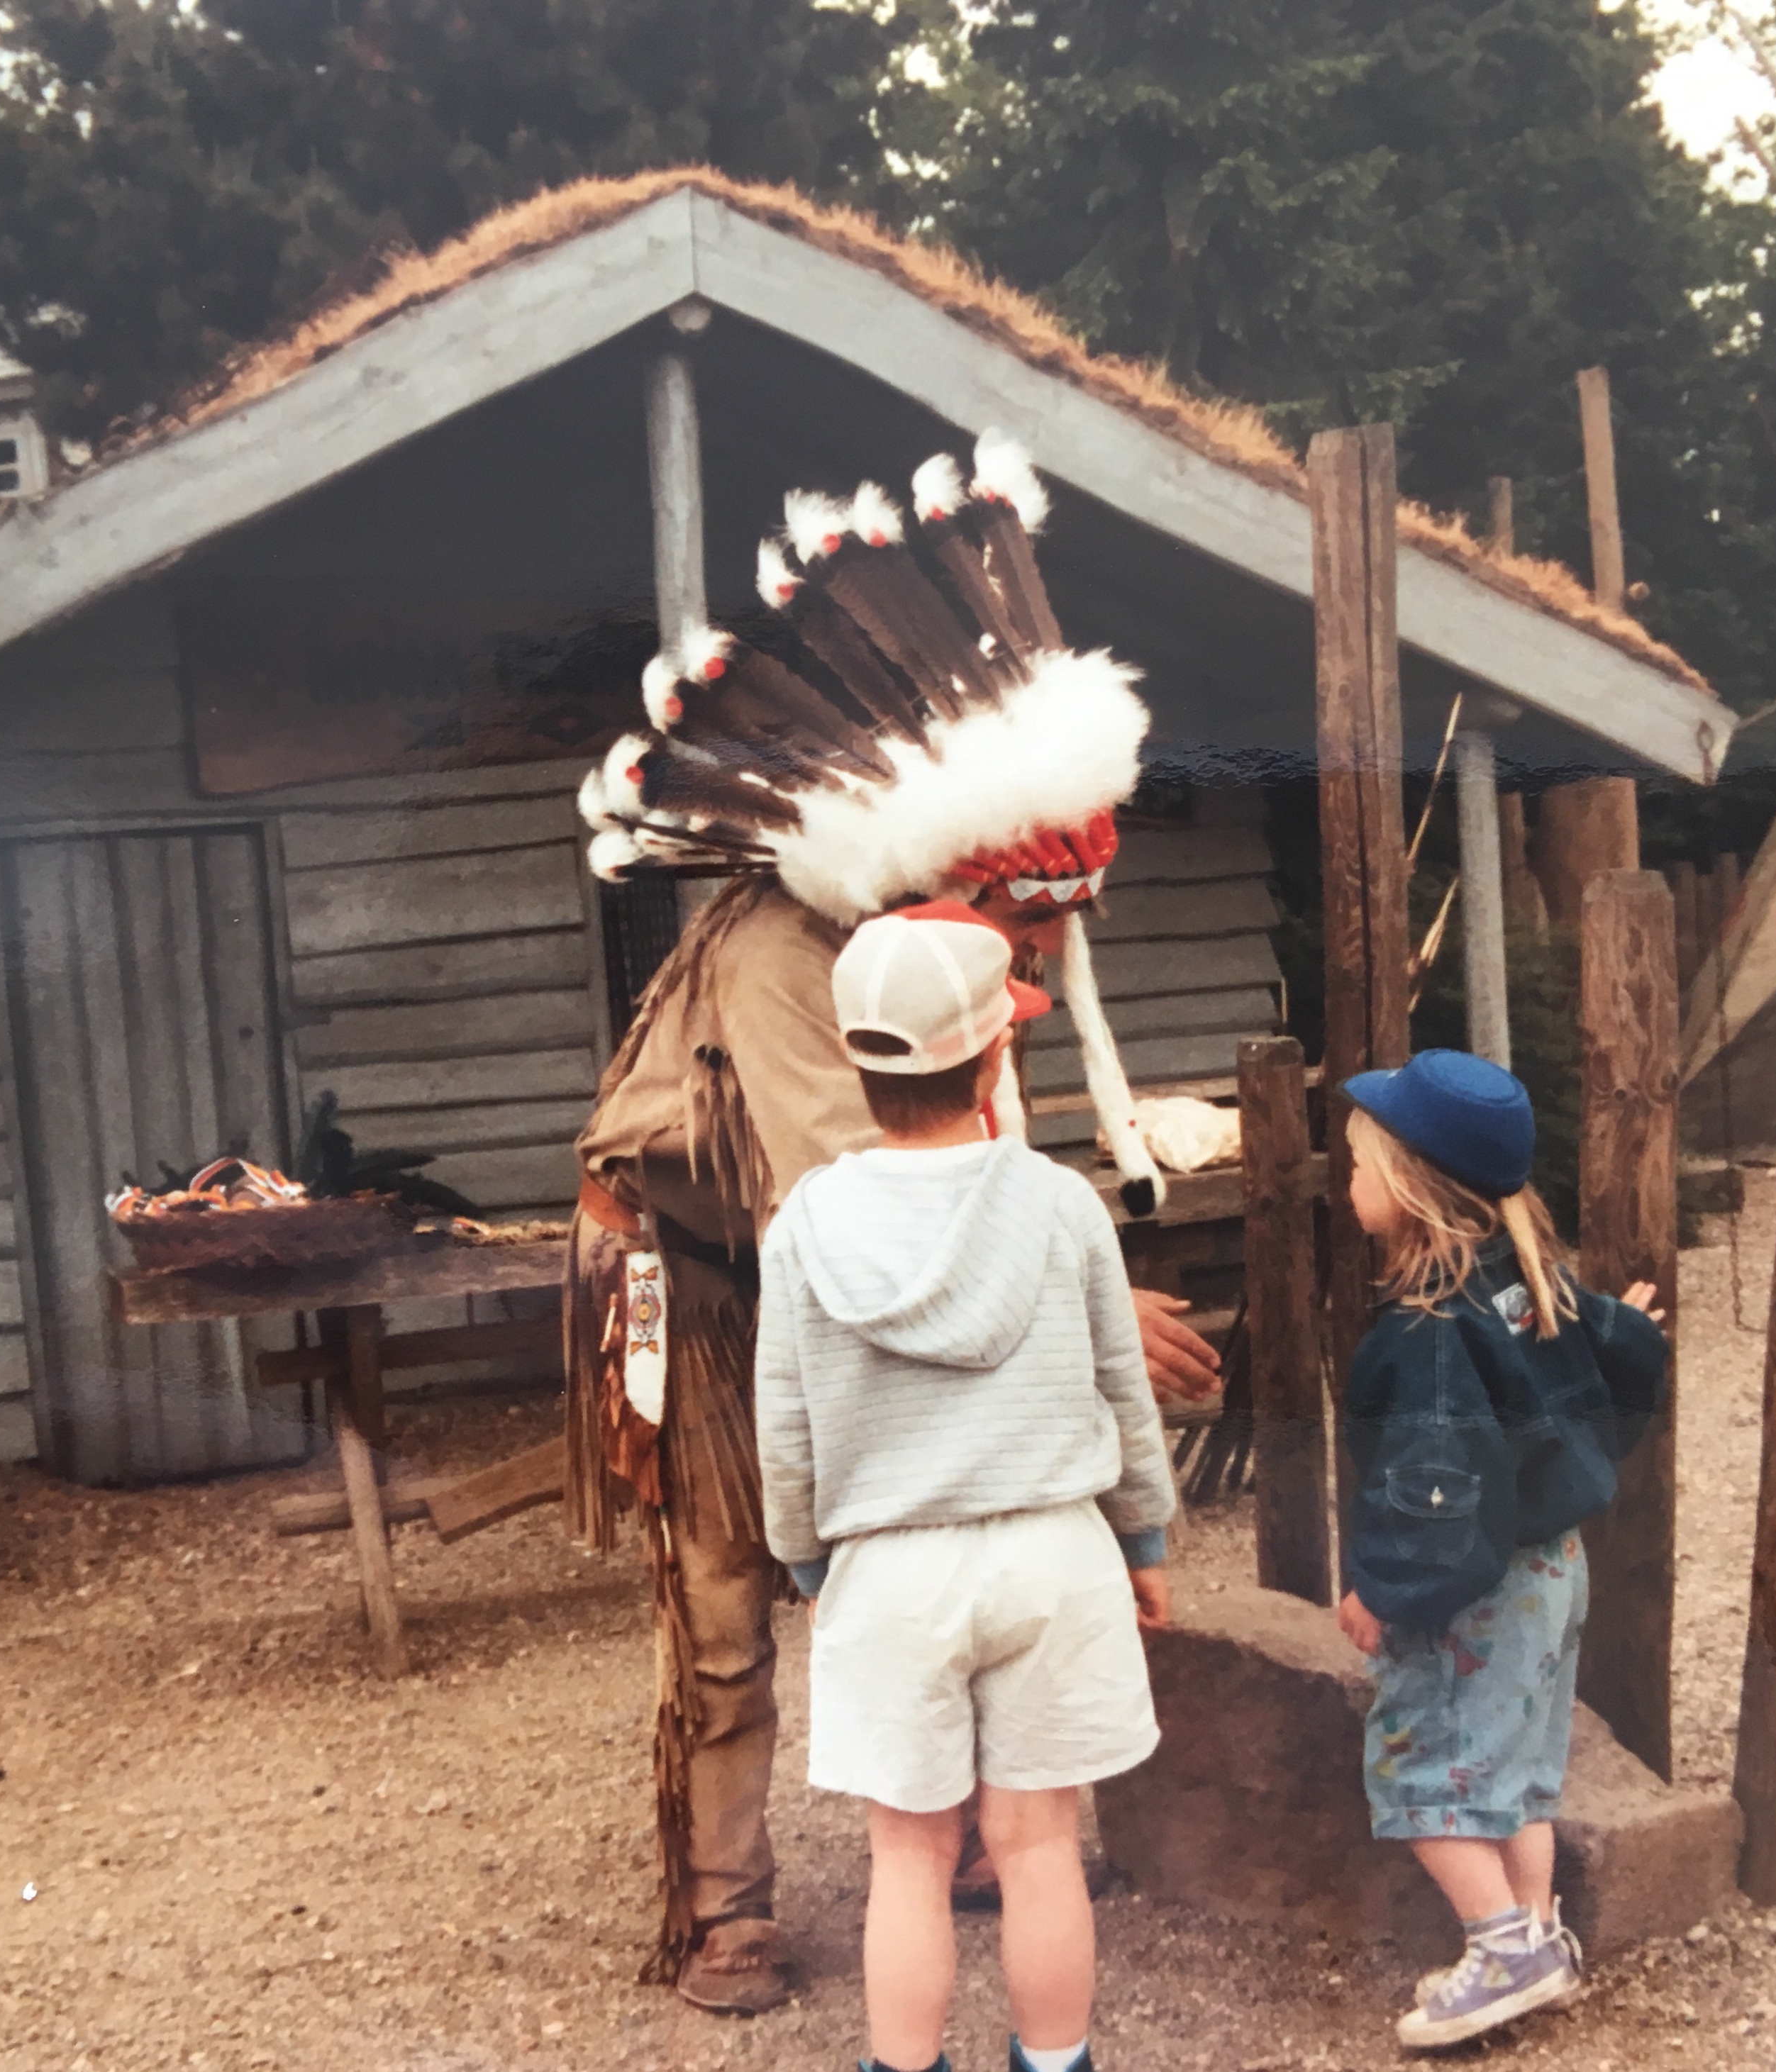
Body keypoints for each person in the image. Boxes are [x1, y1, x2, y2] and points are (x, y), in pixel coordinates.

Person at [566, 433, 1221, 2013]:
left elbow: (958, 1158)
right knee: (727, 1602)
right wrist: (1082, 1311)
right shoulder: (789, 958)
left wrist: (1063, 1282)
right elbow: (853, 1208)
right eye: (1012, 926)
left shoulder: (939, 957)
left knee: (953, 1530)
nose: (1031, 961)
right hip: (695, 1275)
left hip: (840, 1255)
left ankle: (987, 1830)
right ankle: (722, 1909)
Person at [757, 904, 1175, 2072]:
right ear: (994, 1056)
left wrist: (807, 1562)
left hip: (888, 1567)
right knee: (1038, 1846)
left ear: (854, 1056)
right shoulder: (1059, 1202)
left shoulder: (802, 1225)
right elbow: (1119, 1388)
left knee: (907, 1854)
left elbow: (783, 1426)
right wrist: (1143, 1538)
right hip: (1053, 1550)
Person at [1329, 1049, 1669, 2053]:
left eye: (1358, 1165)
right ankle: (1538, 1937)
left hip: (1473, 1592)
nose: (1346, 1181)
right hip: (1552, 1568)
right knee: (1516, 1772)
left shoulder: (1428, 1331)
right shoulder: (1531, 1285)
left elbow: (1435, 1490)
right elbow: (1617, 1350)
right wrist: (1631, 1333)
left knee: (1417, 1775)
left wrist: (1383, 1589)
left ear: (1410, 1185)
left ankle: (1500, 1946)